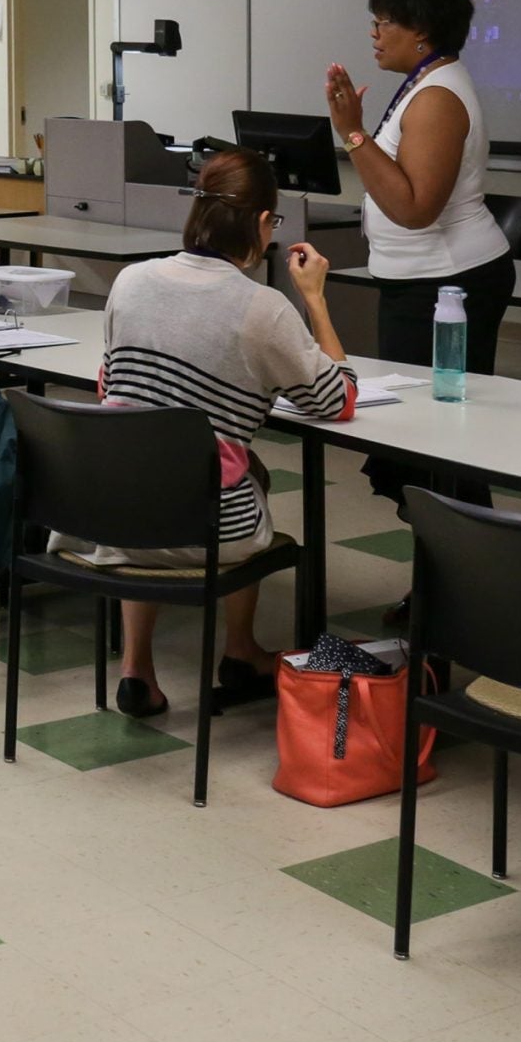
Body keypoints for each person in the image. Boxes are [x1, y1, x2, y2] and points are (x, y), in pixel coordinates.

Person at [80, 147, 356, 718]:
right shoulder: (263, 307)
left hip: (112, 515)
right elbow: (337, 398)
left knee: (151, 466)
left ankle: (136, 669)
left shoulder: (129, 282)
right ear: (261, 223)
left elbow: (109, 383)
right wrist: (316, 300)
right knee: (237, 473)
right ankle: (240, 650)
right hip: (206, 527)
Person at [322, 0, 512, 511]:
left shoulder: (436, 98)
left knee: (438, 445)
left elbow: (413, 208)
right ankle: (449, 579)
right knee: (420, 441)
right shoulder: (425, 83)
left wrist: (353, 133)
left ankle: (462, 578)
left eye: (384, 23)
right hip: (421, 279)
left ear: (422, 31)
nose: (374, 35)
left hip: (447, 285)